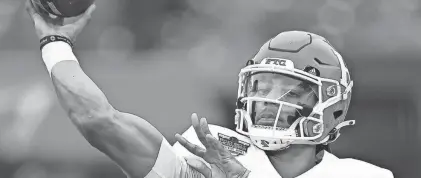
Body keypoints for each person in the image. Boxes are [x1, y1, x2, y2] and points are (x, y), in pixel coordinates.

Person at [25, 0, 394, 177]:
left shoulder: (363, 175)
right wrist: (55, 42)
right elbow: (98, 121)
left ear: (332, 107)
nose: (267, 102)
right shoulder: (206, 155)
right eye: (262, 86)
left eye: (289, 92)